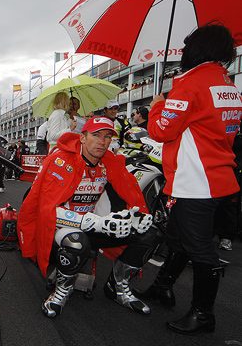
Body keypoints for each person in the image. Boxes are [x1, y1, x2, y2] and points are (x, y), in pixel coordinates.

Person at [139, 23, 241, 335]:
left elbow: (160, 131)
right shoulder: (228, 85)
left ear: (196, 49)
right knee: (178, 238)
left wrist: (157, 107)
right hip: (215, 175)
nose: (182, 51)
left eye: (186, 46)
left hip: (195, 179)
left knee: (198, 247)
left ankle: (204, 314)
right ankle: (163, 287)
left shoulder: (190, 83)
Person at [18, 116, 161, 318]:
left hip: (96, 225)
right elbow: (47, 209)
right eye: (96, 135)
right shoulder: (59, 160)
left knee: (149, 235)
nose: (102, 141)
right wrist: (91, 221)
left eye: (107, 136)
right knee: (77, 242)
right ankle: (61, 291)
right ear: (82, 137)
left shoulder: (111, 162)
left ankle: (118, 288)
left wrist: (135, 217)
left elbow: (126, 198)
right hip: (58, 229)